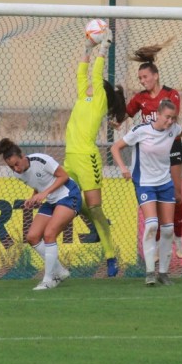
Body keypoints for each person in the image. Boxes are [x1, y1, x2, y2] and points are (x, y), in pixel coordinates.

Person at [112, 99, 182, 286]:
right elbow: (115, 147)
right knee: (152, 225)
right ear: (158, 114)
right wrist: (123, 168)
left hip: (165, 183)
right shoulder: (141, 130)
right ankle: (149, 273)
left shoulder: (173, 129)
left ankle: (163, 273)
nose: (170, 121)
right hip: (145, 183)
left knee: (168, 229)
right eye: (167, 117)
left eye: (173, 118)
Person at [63, 34, 126, 277]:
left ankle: (110, 256)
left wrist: (103, 49)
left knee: (95, 207)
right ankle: (95, 227)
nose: (88, 82)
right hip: (70, 158)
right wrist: (86, 48)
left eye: (93, 82)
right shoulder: (84, 94)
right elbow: (82, 73)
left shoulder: (98, 98)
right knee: (70, 200)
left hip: (87, 158)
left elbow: (96, 75)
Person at [125, 41, 182, 260]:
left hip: (171, 147)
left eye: (145, 77)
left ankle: (177, 237)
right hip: (151, 154)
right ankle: (160, 245)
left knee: (176, 196)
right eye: (140, 79)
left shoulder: (171, 95)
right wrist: (116, 119)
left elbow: (173, 120)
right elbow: (124, 115)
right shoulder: (139, 99)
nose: (142, 81)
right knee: (156, 200)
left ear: (155, 75)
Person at [0, 138, 77, 290]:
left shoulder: (41, 160)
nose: (16, 169)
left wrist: (44, 193)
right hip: (52, 200)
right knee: (32, 237)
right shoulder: (18, 174)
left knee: (49, 234)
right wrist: (34, 197)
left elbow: (64, 176)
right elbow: (38, 184)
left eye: (16, 164)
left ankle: (49, 279)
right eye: (11, 167)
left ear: (22, 156)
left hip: (68, 195)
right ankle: (60, 271)